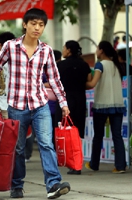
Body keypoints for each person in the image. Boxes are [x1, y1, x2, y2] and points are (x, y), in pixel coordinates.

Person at [0, 8, 71, 199]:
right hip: (16, 106)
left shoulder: (46, 50)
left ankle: (53, 184)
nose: (37, 28)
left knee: (46, 144)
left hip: (40, 104)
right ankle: (16, 185)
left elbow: (54, 79)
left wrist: (63, 102)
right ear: (25, 24)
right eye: (33, 23)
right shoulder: (10, 46)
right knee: (17, 148)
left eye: (41, 25)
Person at [85, 41, 127, 173]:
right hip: (118, 104)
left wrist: (79, 83)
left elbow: (92, 83)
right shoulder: (117, 65)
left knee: (98, 136)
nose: (96, 51)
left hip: (102, 104)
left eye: (97, 48)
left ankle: (94, 164)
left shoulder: (100, 65)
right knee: (117, 136)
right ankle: (120, 166)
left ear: (101, 50)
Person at [54, 41, 92, 175]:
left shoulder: (60, 65)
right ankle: (77, 164)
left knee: (64, 130)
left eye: (64, 47)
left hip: (65, 100)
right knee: (77, 131)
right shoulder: (84, 65)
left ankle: (67, 161)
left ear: (69, 50)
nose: (63, 49)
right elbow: (89, 81)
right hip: (80, 99)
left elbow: (55, 83)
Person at [25, 50, 62, 163]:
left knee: (45, 134)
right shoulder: (45, 69)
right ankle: (52, 157)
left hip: (46, 105)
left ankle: (51, 157)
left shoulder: (45, 69)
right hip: (48, 105)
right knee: (47, 134)